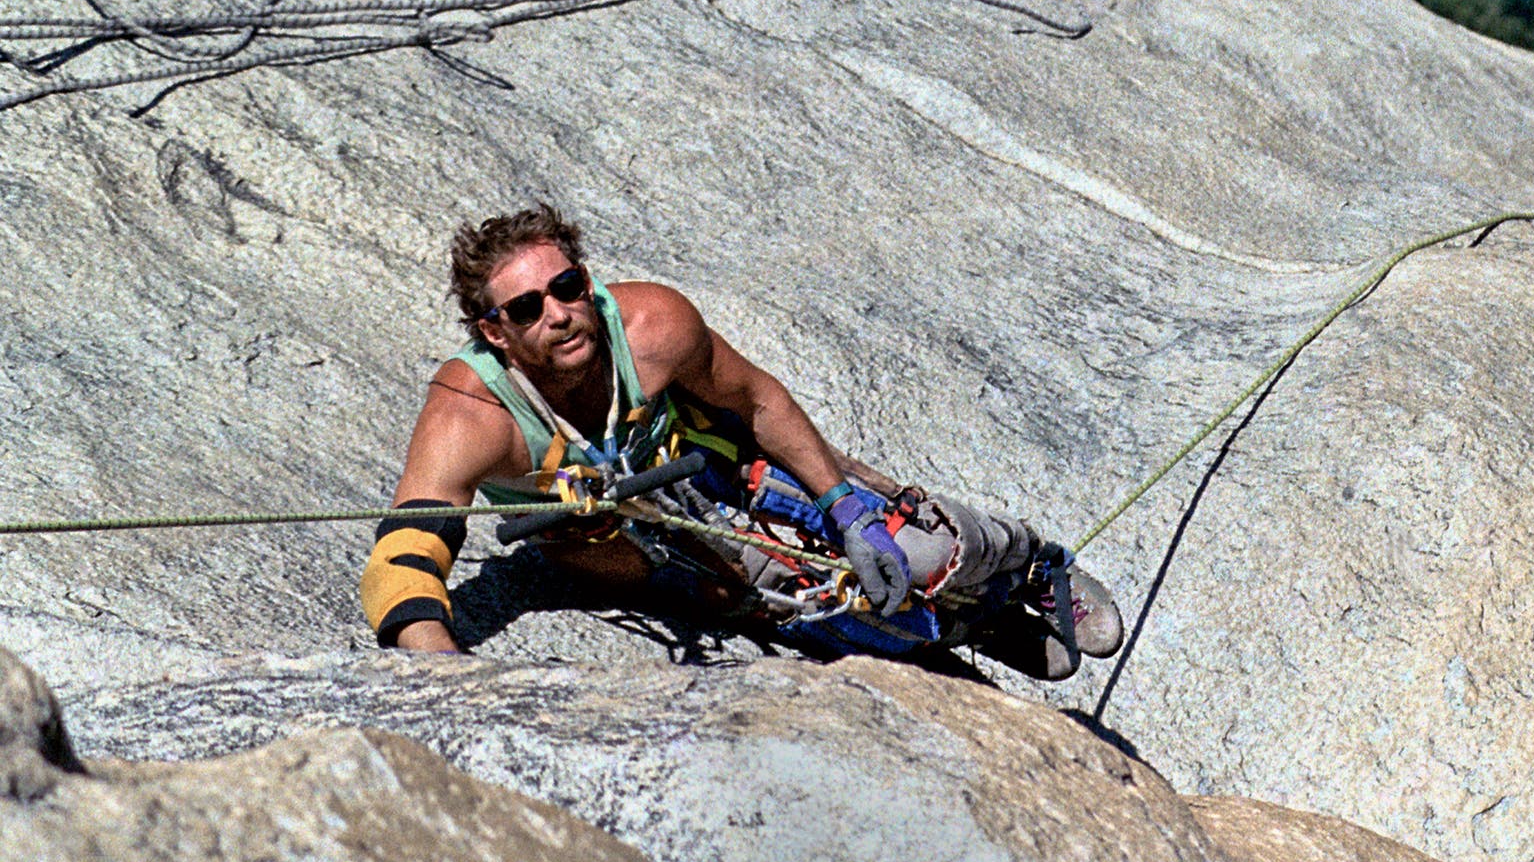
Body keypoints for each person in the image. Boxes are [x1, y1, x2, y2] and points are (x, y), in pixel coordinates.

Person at [363, 205, 1123, 680]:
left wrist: (843, 505)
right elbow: (405, 558)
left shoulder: (652, 327)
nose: (558, 315)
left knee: (915, 551)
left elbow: (757, 399)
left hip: (725, 467)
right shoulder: (471, 411)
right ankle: (980, 626)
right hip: (650, 542)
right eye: (527, 308)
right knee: (828, 615)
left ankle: (1027, 564)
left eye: (567, 289)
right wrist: (445, 674)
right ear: (495, 332)